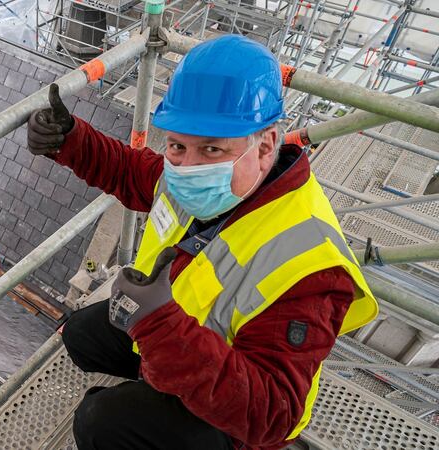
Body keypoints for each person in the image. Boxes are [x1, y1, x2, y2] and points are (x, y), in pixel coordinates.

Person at [26, 35, 378, 449]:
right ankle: (160, 380)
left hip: (237, 411)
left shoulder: (312, 266)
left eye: (210, 148)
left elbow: (272, 414)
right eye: (177, 145)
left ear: (264, 146)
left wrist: (159, 327)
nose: (187, 167)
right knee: (82, 333)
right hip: (180, 332)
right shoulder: (207, 178)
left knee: (100, 421)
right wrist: (70, 141)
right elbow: (131, 172)